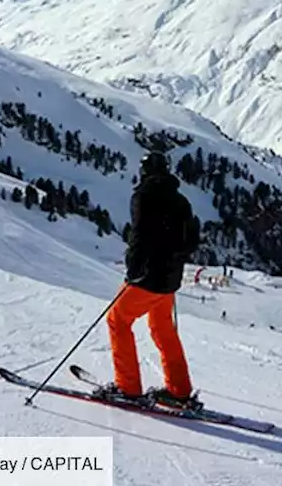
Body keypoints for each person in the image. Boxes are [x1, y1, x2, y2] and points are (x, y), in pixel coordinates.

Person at [97, 152, 202, 409]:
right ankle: (179, 392)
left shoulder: (143, 197)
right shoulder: (181, 201)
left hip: (149, 275)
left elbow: (139, 236)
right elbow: (191, 240)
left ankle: (128, 388)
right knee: (163, 329)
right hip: (170, 278)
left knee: (117, 320)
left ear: (145, 172)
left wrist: (133, 268)